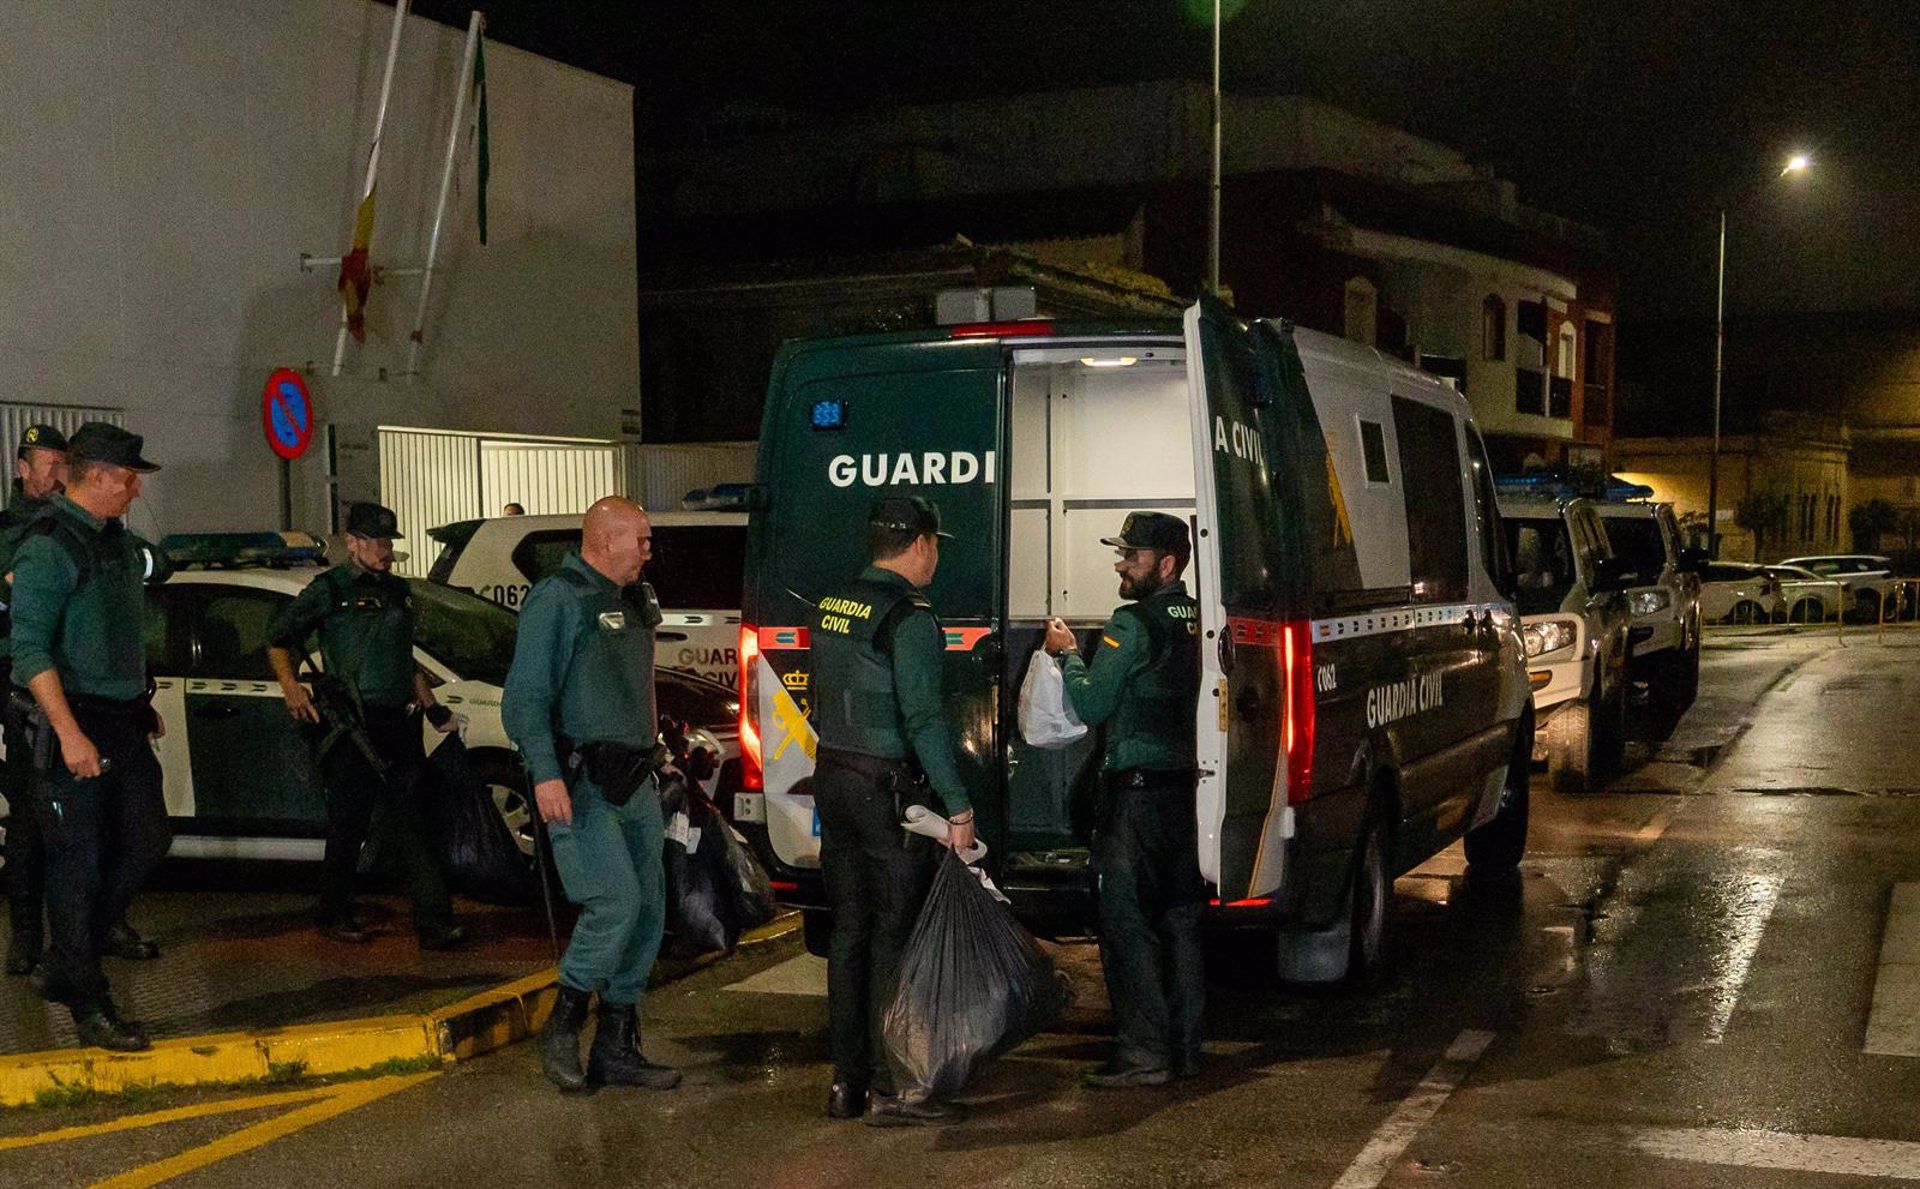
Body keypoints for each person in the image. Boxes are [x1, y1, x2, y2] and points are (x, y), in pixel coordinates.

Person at [503, 496, 681, 1094]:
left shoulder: (632, 599)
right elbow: (524, 698)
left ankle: (617, 1048)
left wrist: (657, 751)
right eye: (643, 539)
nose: (650, 550)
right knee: (615, 902)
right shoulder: (560, 598)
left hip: (634, 780)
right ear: (605, 540)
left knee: (650, 911)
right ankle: (562, 1027)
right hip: (580, 784)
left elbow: (635, 685)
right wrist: (546, 773)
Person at [809, 494, 976, 1127]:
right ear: (922, 544)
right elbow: (924, 719)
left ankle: (845, 1085)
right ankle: (892, 1086)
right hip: (887, 793)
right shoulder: (910, 619)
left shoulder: (835, 604)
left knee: (849, 933)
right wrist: (957, 806)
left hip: (835, 779)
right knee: (893, 937)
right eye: (936, 546)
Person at [11, 423, 170, 1050]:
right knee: (78, 864)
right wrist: (70, 733)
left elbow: (119, 629)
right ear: (98, 475)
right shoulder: (49, 547)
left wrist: (138, 693)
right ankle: (89, 1004)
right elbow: (28, 650)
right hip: (72, 724)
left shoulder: (115, 544)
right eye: (129, 478)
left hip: (123, 718)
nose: (135, 490)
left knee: (149, 839)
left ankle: (66, 963)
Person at [1043, 510, 1203, 1088]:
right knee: (1180, 921)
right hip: (1180, 791)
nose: (1120, 563)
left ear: (1165, 564)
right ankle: (1184, 1047)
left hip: (1133, 798)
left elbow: (1090, 706)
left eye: (1131, 556)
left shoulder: (1132, 623)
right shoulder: (1194, 618)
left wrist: (1067, 655)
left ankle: (1142, 1055)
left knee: (1127, 926)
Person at [266, 503, 463, 950]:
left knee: (414, 818)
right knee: (348, 823)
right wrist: (291, 687)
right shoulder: (329, 589)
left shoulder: (398, 592)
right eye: (375, 541)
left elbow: (402, 657)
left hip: (398, 721)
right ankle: (333, 912)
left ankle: (433, 921)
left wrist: (432, 707)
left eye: (389, 542)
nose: (385, 550)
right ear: (351, 543)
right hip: (353, 725)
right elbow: (278, 639)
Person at [3, 424, 69, 977]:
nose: (55, 473)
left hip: (77, 682)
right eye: (44, 463)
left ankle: (97, 926)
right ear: (22, 469)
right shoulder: (7, 531)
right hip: (23, 687)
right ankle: (25, 936)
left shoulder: (81, 526)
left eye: (60, 463)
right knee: (28, 817)